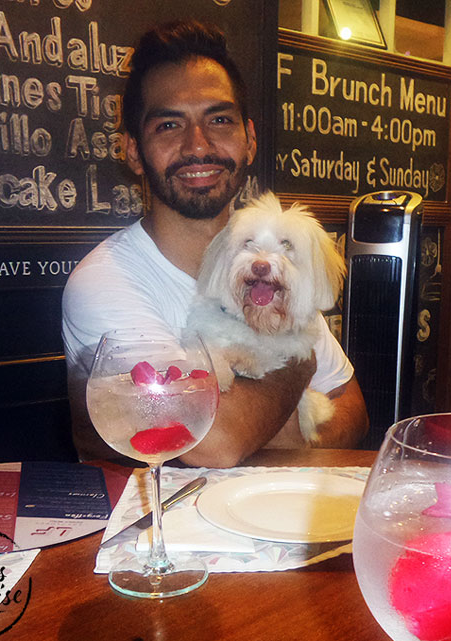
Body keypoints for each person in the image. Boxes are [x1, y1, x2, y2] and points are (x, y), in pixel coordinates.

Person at [62, 20, 368, 467]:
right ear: (133, 151)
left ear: (250, 140)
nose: (198, 146)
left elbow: (351, 407)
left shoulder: (272, 264)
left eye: (219, 120)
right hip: (155, 513)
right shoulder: (105, 281)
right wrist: (299, 361)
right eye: (169, 125)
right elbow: (214, 441)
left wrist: (282, 436)